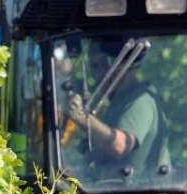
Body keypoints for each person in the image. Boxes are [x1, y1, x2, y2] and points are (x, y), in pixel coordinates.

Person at [63, 40, 168, 174]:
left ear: (121, 62)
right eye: (94, 67)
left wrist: (82, 118)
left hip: (139, 192)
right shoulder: (118, 103)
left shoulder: (140, 101)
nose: (98, 74)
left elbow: (120, 145)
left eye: (103, 64)